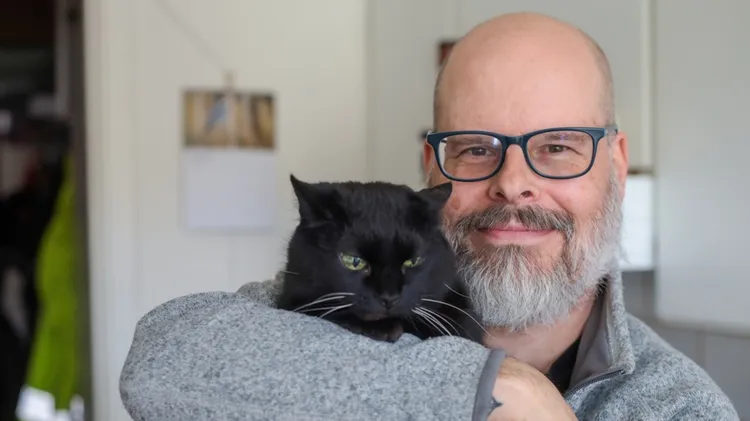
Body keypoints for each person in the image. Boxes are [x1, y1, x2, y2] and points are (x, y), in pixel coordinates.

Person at [119, 12, 739, 421]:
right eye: (475, 149)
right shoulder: (349, 306)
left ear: (615, 164)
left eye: (557, 147)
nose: (512, 184)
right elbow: (160, 359)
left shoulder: (677, 406)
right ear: (433, 170)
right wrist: (487, 387)